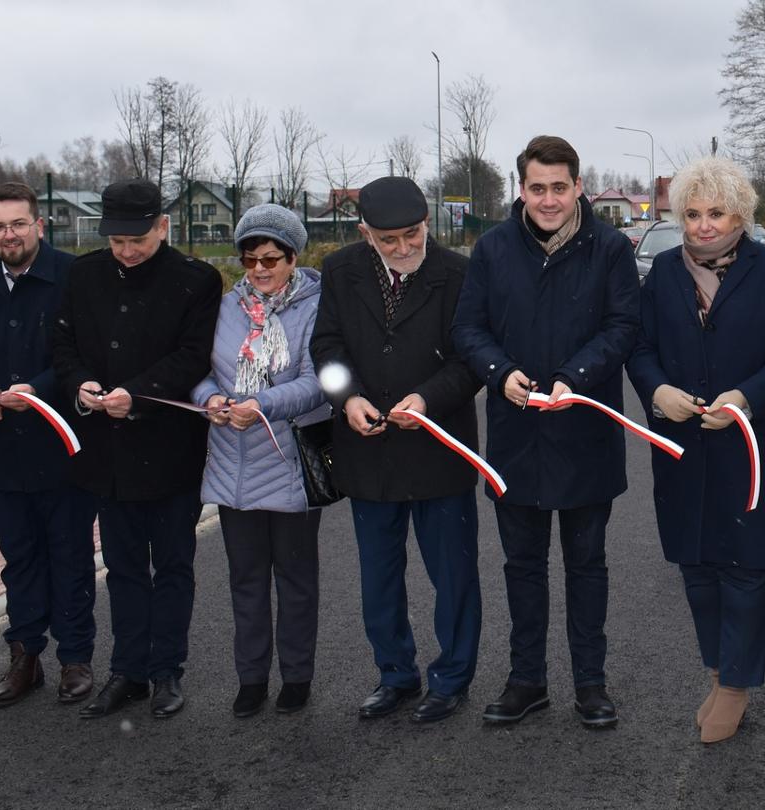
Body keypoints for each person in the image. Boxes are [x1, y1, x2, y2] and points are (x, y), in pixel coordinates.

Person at [452, 135, 640, 729]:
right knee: (522, 566)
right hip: (516, 437)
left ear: (578, 187)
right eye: (538, 188)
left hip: (585, 430)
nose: (550, 199)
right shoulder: (492, 249)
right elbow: (468, 329)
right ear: (522, 189)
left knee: (587, 566)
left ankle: (591, 683)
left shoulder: (609, 248)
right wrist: (500, 372)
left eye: (560, 187)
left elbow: (622, 326)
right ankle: (526, 680)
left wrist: (572, 379)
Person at [627, 157, 765, 743]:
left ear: (741, 214)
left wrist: (746, 397)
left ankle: (735, 685)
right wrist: (656, 391)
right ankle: (717, 671)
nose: (704, 226)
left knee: (747, 567)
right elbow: (640, 347)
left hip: (749, 444)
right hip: (682, 443)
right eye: (693, 214)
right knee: (697, 567)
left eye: (717, 213)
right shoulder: (662, 274)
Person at [311, 177, 484, 724]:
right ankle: (394, 675)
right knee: (378, 576)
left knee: (452, 576)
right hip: (369, 450)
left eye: (413, 234)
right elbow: (327, 345)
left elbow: (471, 359)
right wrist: (347, 398)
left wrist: (427, 399)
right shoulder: (341, 270)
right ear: (365, 234)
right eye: (389, 240)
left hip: (438, 447)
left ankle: (451, 678)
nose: (405, 248)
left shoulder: (458, 273)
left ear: (426, 223)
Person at [54, 178, 222, 720]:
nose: (126, 250)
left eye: (138, 240)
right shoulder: (83, 276)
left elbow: (194, 356)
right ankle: (127, 669)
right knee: (122, 567)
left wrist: (140, 395)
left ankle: (167, 670)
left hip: (170, 448)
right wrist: (79, 381)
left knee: (173, 564)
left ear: (162, 227)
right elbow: (63, 344)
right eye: (117, 241)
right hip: (106, 452)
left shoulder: (196, 281)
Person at [0, 181, 97, 708]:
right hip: (0, 453)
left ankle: (75, 657)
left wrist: (39, 388)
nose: (8, 234)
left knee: (71, 556)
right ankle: (25, 656)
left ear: (39, 224)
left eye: (17, 224)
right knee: (19, 559)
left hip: (63, 449)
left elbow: (83, 354)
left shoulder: (76, 277)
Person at [193, 204, 329, 718]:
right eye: (250, 260)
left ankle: (297, 677)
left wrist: (262, 404)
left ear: (294, 257)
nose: (260, 270)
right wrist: (210, 399)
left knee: (295, 581)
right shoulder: (227, 308)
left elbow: (318, 382)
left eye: (271, 258)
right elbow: (202, 369)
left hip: (290, 463)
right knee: (245, 580)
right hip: (234, 464)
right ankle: (251, 678)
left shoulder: (315, 306)